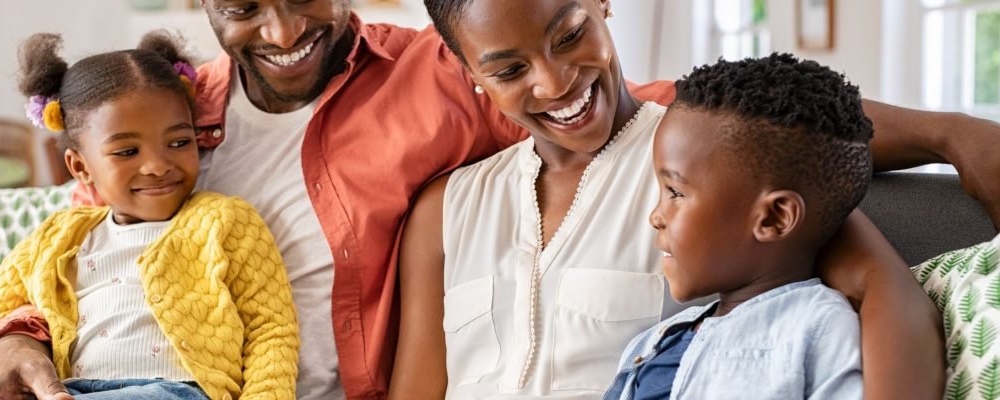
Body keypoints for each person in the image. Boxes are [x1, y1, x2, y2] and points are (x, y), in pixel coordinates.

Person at [0, 0, 1000, 399]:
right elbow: (73, 247)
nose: (277, 28)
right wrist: (5, 340)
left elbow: (717, 127)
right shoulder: (165, 115)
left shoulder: (438, 86)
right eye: (242, 7)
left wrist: (951, 130)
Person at [392, 0, 962, 399]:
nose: (554, 80)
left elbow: (888, 295)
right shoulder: (445, 210)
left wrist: (956, 135)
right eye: (510, 69)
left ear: (602, 2)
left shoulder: (709, 166)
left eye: (568, 35)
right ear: (469, 73)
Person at [0, 31, 299, 400]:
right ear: (81, 167)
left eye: (179, 141)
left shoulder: (225, 221)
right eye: (126, 151)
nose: (158, 165)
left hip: (171, 391)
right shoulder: (57, 237)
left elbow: (270, 331)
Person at [603, 53, 869, 400]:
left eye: (675, 192)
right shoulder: (653, 341)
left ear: (774, 218)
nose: (656, 215)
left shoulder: (817, 327)